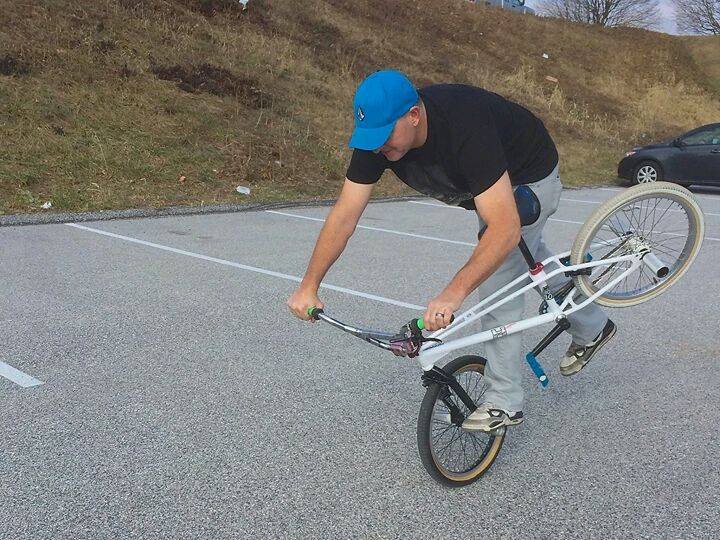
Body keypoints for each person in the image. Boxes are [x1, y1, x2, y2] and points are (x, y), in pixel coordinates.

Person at [287, 69, 616, 432]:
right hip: (487, 185)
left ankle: (504, 402)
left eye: (384, 136)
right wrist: (309, 285)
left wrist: (452, 294)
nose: (378, 147)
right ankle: (593, 326)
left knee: (499, 278)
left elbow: (505, 229)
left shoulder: (465, 127)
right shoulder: (378, 140)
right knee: (526, 258)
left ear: (414, 115)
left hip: (530, 177)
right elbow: (344, 216)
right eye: (371, 138)